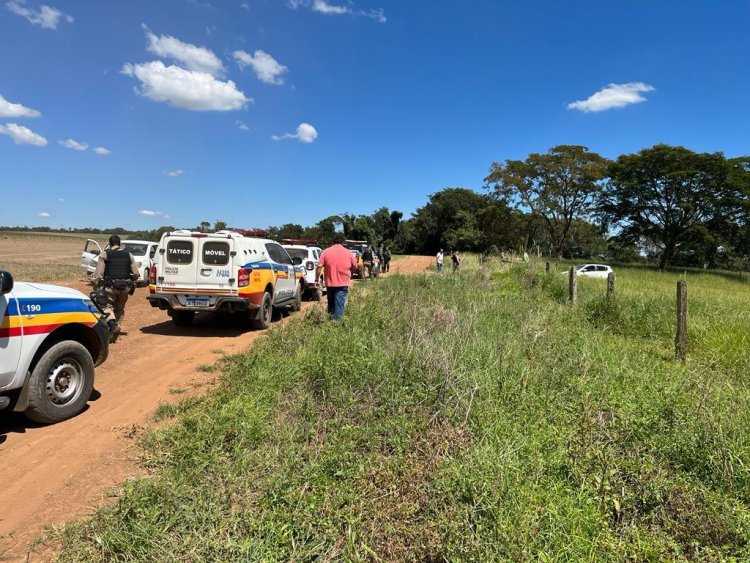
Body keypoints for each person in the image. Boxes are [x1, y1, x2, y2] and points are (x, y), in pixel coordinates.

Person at [93, 235, 139, 337]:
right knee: (120, 307)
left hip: (110, 286)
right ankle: (117, 326)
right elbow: (136, 273)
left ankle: (112, 324)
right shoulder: (129, 255)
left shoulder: (105, 254)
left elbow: (98, 274)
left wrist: (95, 285)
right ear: (120, 244)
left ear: (109, 244)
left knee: (106, 307)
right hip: (125, 287)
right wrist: (131, 280)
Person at [316, 233, 358, 320]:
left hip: (330, 283)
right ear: (343, 242)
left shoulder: (326, 251)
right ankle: (337, 326)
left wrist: (316, 279)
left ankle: (330, 323)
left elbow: (319, 267)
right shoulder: (348, 252)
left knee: (331, 304)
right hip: (342, 283)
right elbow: (355, 266)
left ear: (333, 241)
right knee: (339, 305)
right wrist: (350, 274)